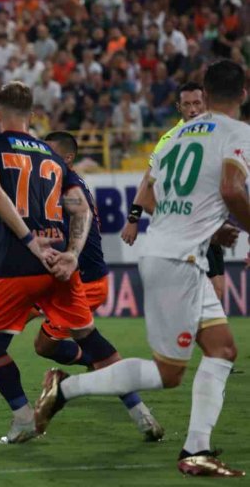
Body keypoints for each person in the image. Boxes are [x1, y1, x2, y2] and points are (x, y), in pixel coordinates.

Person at [35, 60, 249, 478]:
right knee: (168, 373)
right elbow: (229, 188)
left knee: (222, 350)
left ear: (204, 93)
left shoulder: (177, 136)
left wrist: (214, 226)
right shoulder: (239, 134)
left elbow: (155, 200)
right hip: (178, 261)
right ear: (243, 93)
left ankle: (197, 450)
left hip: (174, 253)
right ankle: (65, 388)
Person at [0, 131, 163, 441]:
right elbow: (18, 211)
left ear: (66, 158)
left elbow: (17, 214)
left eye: (47, 152)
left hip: (76, 277)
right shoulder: (63, 183)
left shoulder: (58, 182)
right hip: (71, 271)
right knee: (42, 343)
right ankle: (131, 403)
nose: (37, 158)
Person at [0, 81, 128, 444]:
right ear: (32, 115)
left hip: (59, 268)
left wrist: (39, 245)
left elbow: (4, 199)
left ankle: (27, 404)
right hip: (68, 267)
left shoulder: (3, 152)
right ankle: (135, 405)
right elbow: (24, 208)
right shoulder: (54, 167)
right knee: (49, 343)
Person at [121, 83, 238, 300]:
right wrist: (133, 218)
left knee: (218, 293)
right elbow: (148, 180)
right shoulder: (170, 139)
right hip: (186, 226)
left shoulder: (218, 132)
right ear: (179, 107)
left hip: (209, 223)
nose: (192, 109)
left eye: (197, 103)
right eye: (187, 104)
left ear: (205, 104)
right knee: (198, 293)